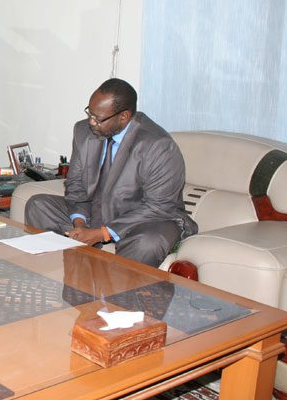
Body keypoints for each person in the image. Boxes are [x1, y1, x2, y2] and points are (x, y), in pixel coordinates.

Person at [25, 78, 197, 267]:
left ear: (123, 116)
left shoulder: (158, 145)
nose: (91, 122)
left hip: (145, 220)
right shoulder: (83, 131)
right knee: (38, 205)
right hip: (96, 212)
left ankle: (112, 282)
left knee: (148, 243)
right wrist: (80, 223)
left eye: (98, 118)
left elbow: (158, 206)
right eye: (90, 113)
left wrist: (103, 233)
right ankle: (59, 272)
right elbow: (75, 184)